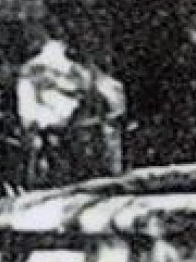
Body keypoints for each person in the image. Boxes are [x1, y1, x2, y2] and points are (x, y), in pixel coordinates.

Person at [15, 22, 125, 189]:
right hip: (59, 141)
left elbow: (113, 95)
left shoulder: (84, 69)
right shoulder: (35, 70)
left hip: (86, 139)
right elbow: (29, 114)